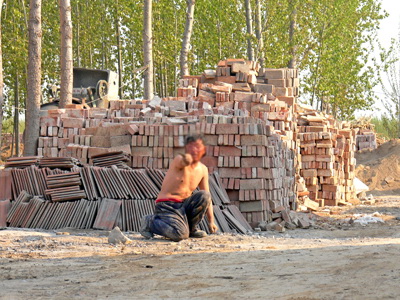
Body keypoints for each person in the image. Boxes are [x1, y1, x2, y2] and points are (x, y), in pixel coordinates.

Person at [140, 134, 218, 242]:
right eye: (191, 146)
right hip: (167, 205)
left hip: (184, 206)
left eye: (198, 147)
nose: (195, 150)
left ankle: (191, 229)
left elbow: (208, 199)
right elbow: (184, 161)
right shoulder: (179, 160)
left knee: (204, 195)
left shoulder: (203, 169)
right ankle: (150, 222)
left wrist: (211, 221)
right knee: (179, 235)